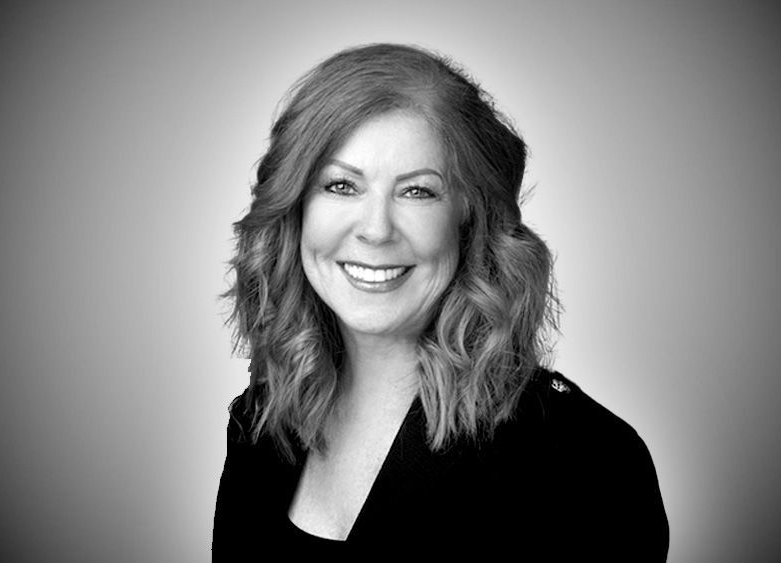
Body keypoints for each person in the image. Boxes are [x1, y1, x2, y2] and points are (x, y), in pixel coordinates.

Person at [212, 43, 668, 558]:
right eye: (341, 185)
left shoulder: (585, 460)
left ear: (468, 217)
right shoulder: (261, 422)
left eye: (418, 192)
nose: (376, 230)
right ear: (294, 209)